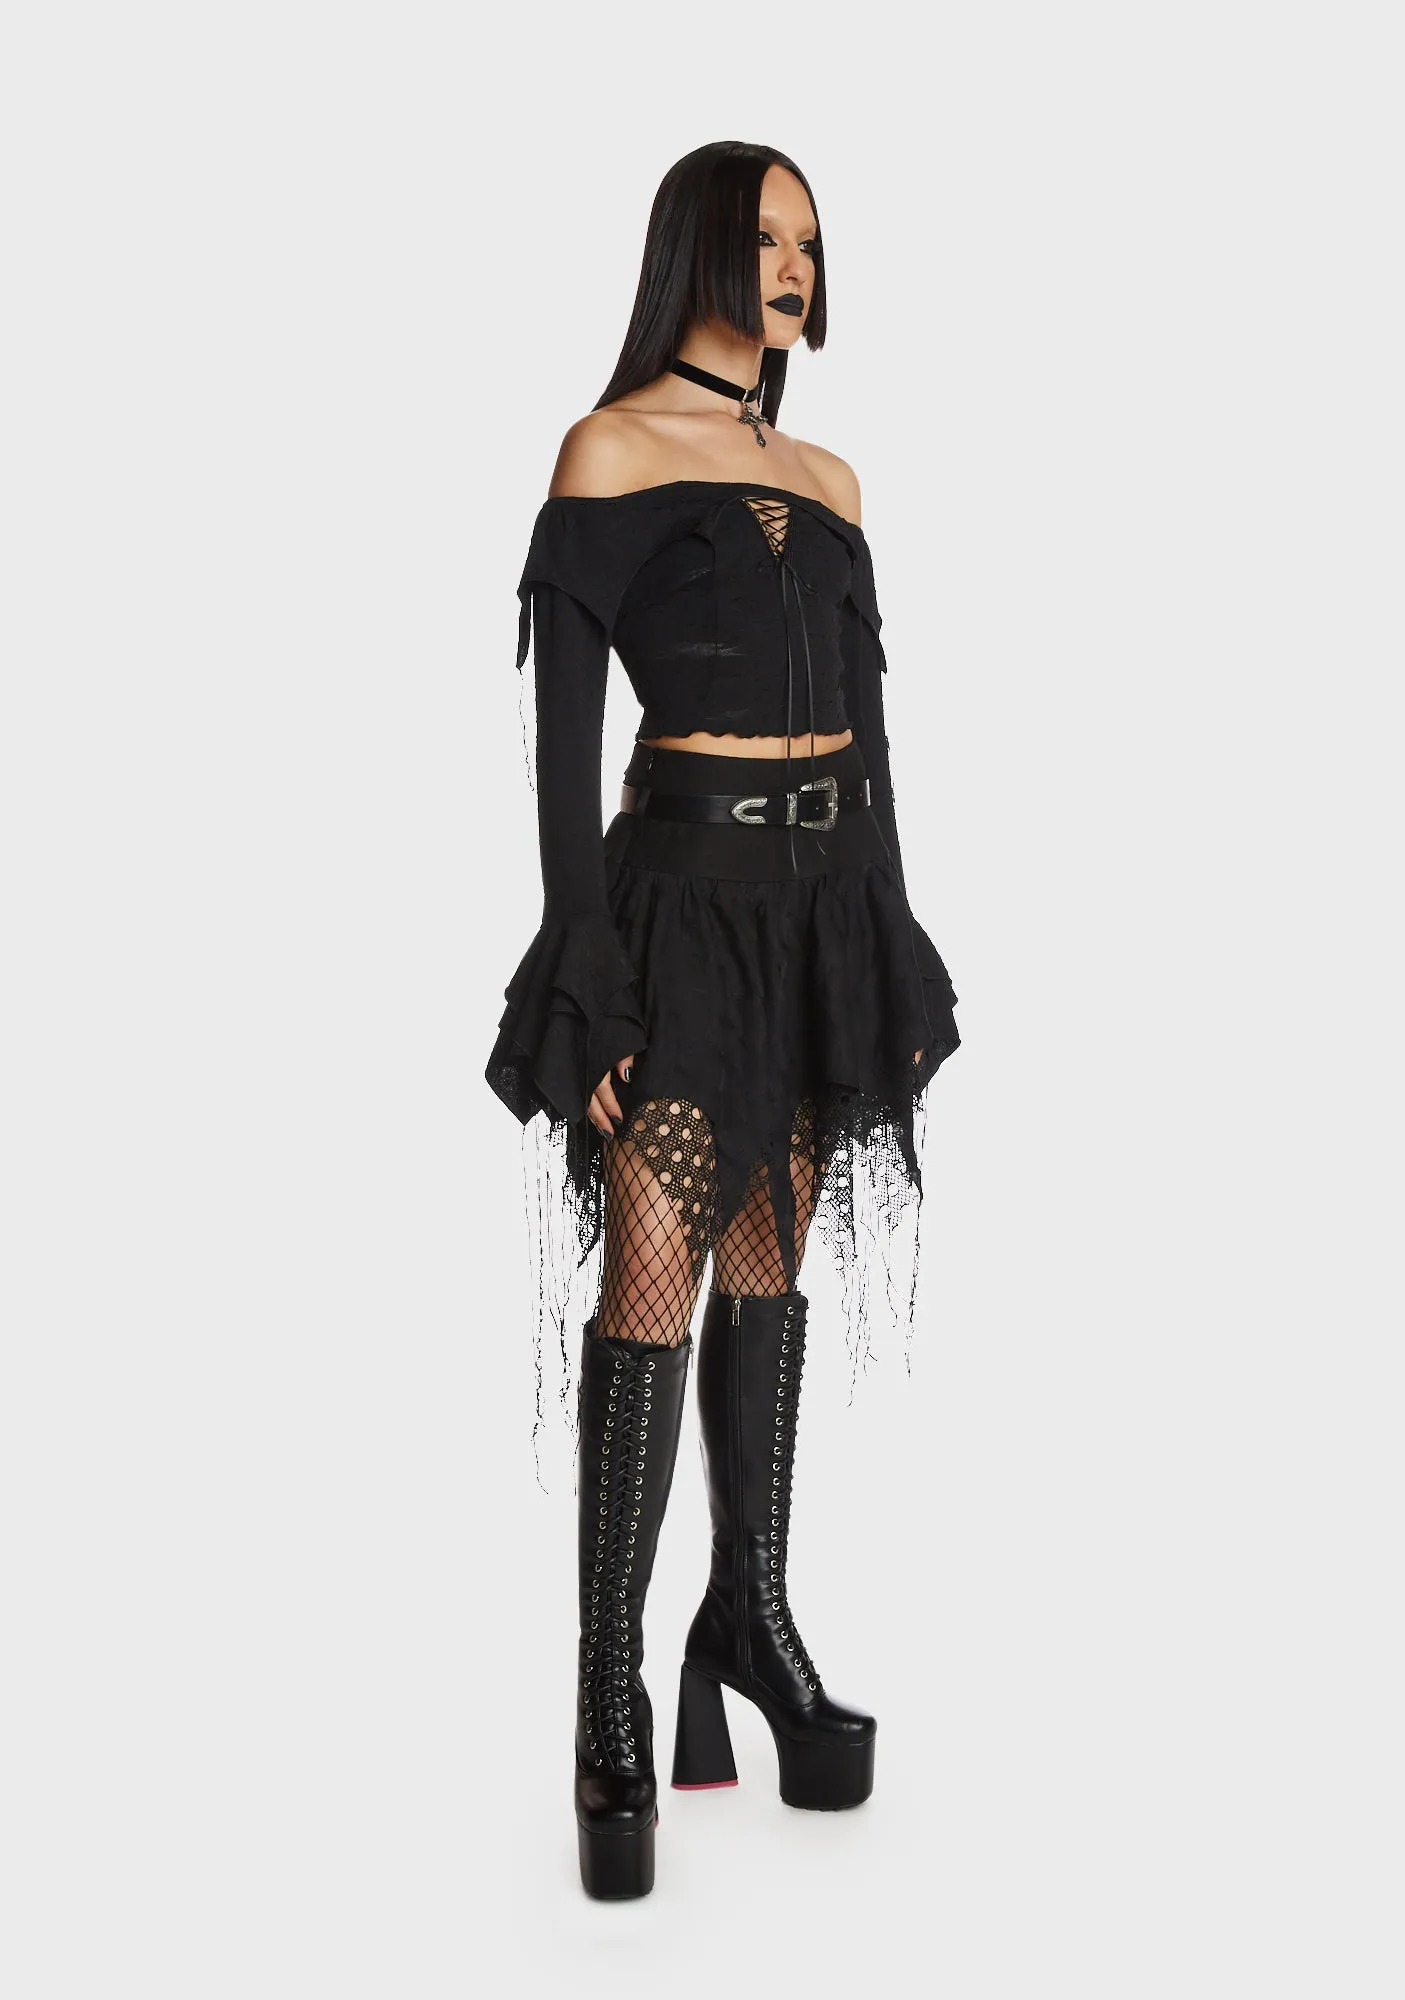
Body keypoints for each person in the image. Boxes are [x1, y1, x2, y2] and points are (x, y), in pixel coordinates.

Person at [484, 140, 961, 1899]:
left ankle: (748, 1616)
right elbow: (562, 767)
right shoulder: (608, 452)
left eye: (808, 243)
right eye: (763, 238)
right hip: (679, 909)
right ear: (694, 247)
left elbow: (876, 751)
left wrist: (888, 943)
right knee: (654, 1267)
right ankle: (610, 1692)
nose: (791, 268)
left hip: (821, 911)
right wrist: (590, 975)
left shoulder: (831, 480)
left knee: (771, 1255)